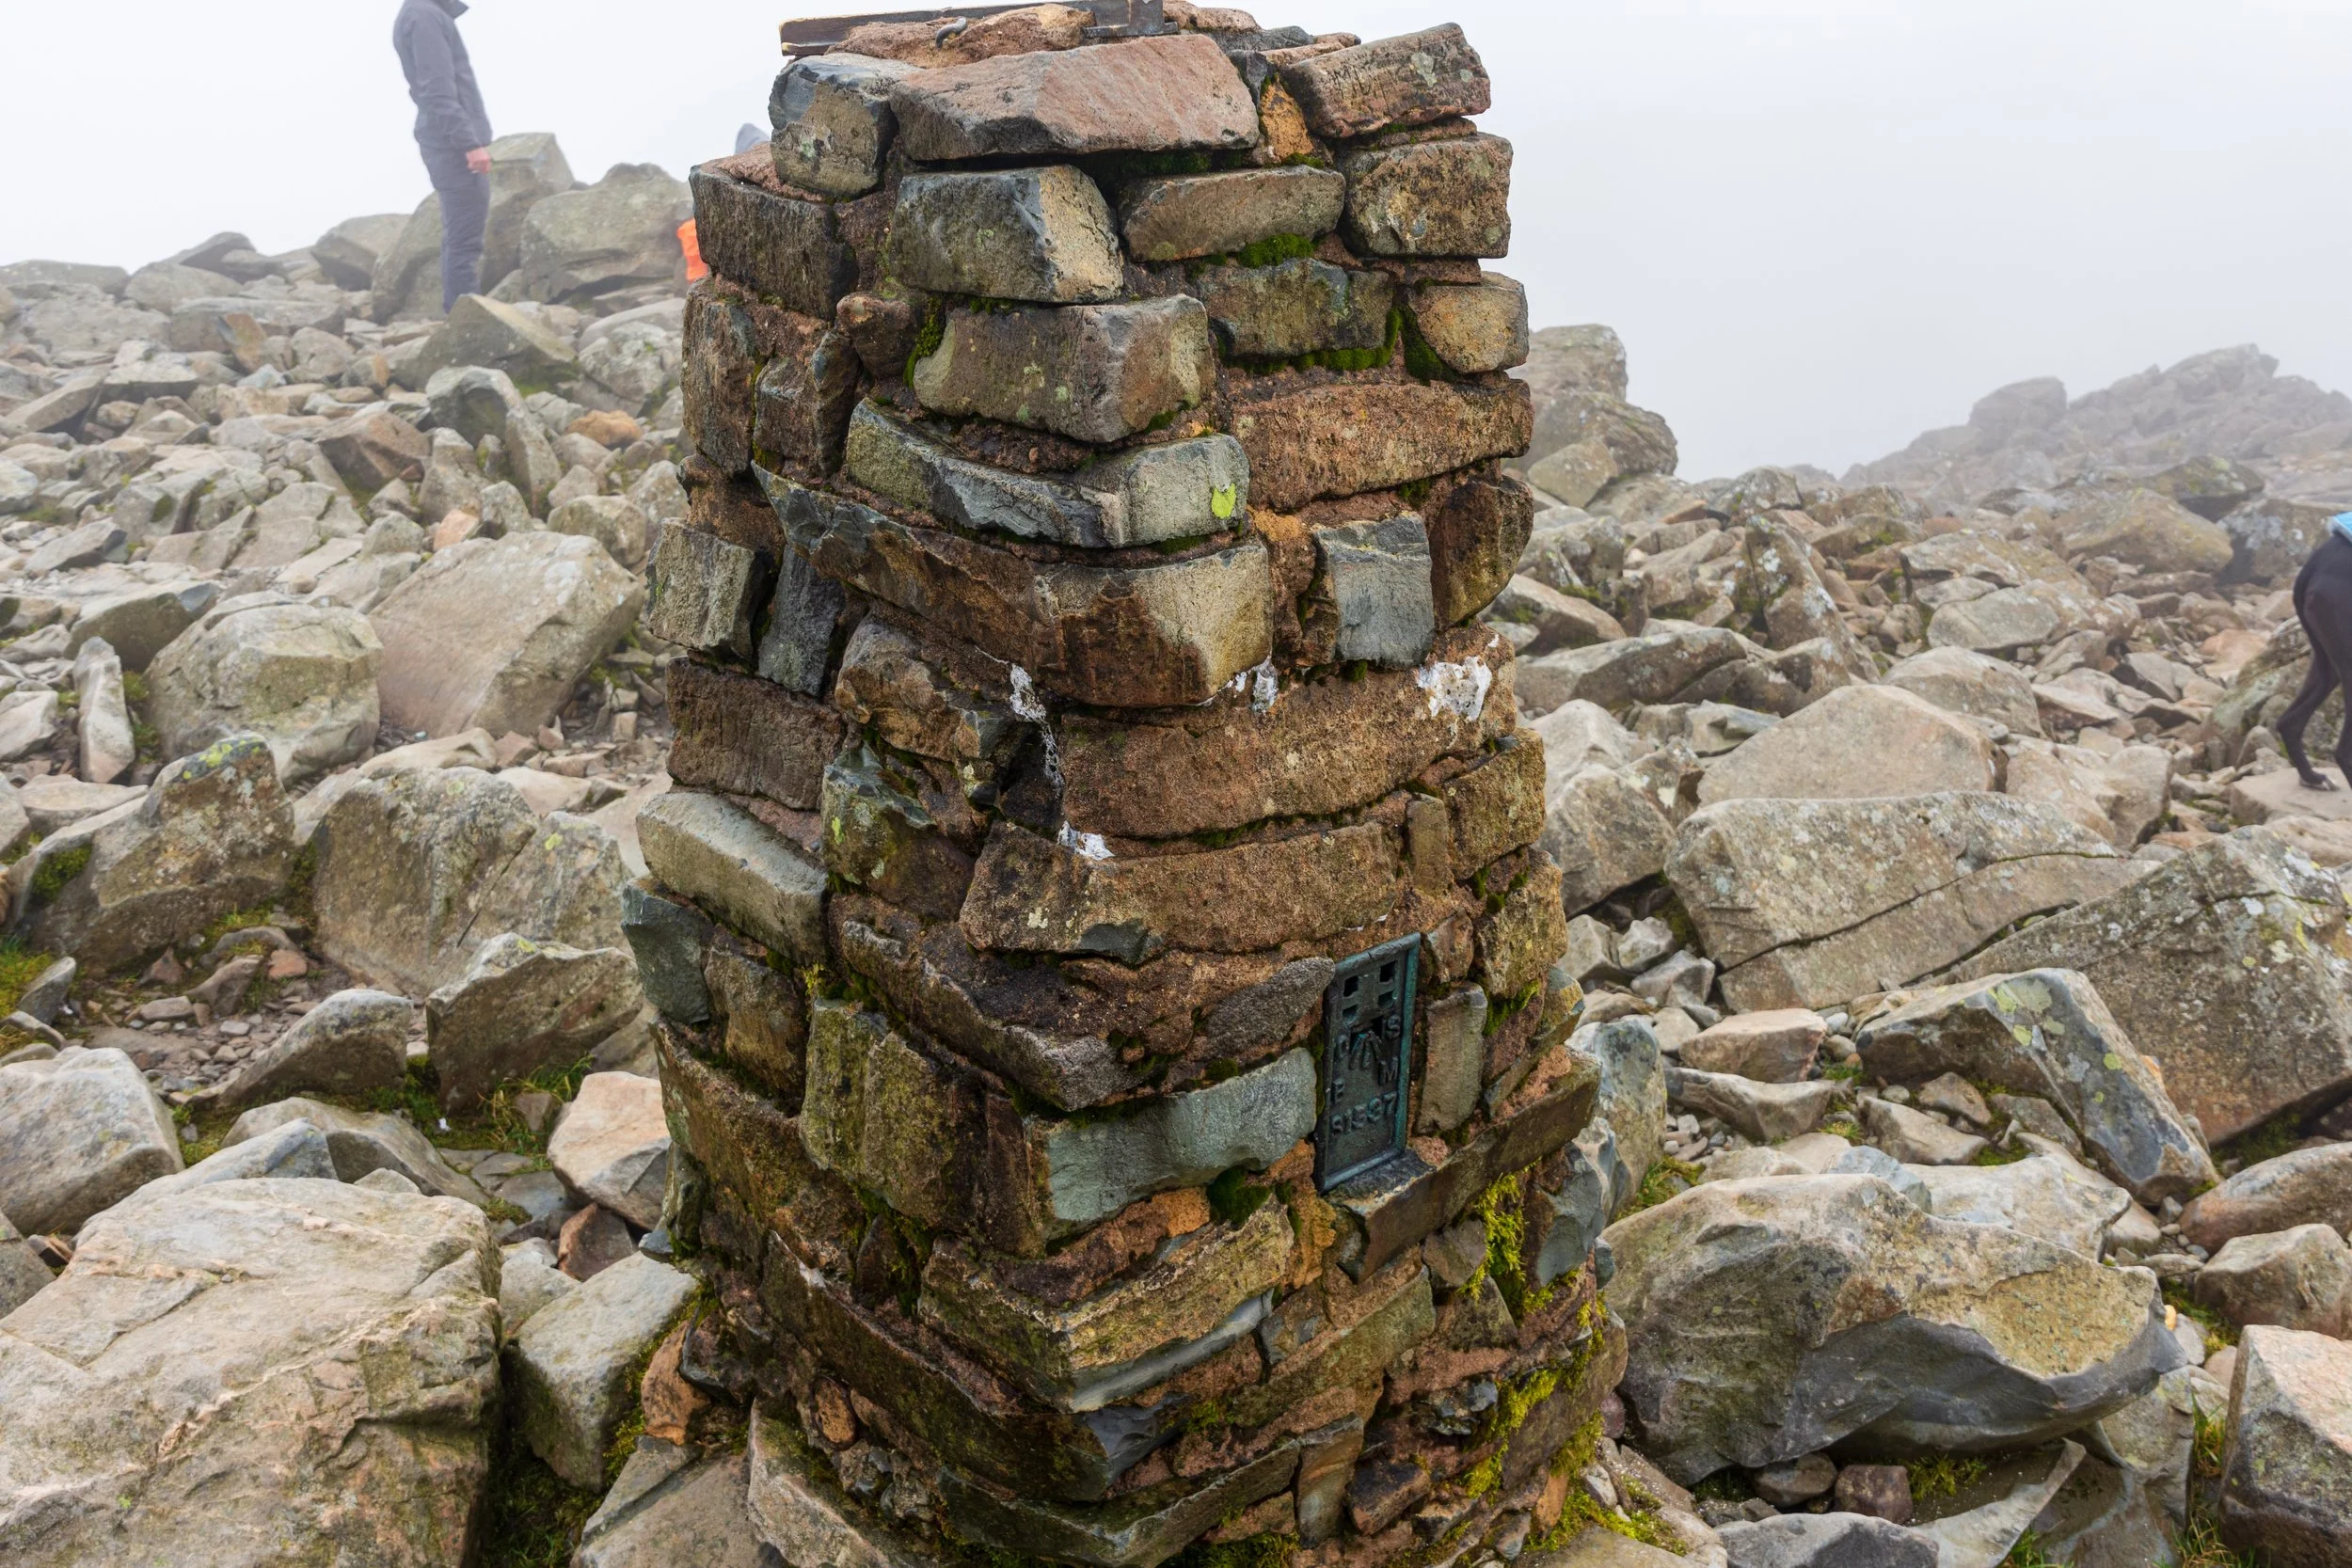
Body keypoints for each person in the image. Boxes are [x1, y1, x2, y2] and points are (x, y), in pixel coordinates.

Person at [393, 0, 495, 312]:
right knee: (465, 240)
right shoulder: (424, 16)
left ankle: (463, 315)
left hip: (445, 138)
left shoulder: (423, 14)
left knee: (461, 235)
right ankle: (467, 321)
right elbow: (436, 88)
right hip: (450, 143)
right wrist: (469, 143)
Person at [2277, 512, 2352, 790]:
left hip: (2322, 581)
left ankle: (2291, 727)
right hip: (2336, 586)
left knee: (2328, 671)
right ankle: (2347, 755)